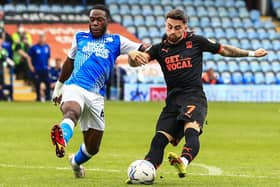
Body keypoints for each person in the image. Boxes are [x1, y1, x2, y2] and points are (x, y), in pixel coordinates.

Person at [127, 9, 267, 181]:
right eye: (169, 27)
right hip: (172, 102)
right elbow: (136, 61)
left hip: (194, 97)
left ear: (185, 27)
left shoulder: (196, 41)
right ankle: (144, 172)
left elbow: (225, 50)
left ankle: (183, 161)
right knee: (158, 140)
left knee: (191, 132)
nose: (172, 31)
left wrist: (252, 53)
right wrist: (132, 56)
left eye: (177, 28)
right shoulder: (159, 49)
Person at [50, 4, 149, 178]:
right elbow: (69, 62)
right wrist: (59, 87)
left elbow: (143, 48)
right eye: (92, 19)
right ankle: (62, 138)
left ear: (107, 21)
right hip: (75, 86)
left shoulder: (117, 41)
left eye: (99, 19)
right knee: (72, 111)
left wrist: (142, 52)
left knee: (93, 147)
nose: (95, 23)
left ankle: (75, 163)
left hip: (96, 96)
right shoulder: (79, 37)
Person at [28, 32, 51, 102]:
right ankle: (38, 98)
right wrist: (31, 66)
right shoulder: (34, 47)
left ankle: (48, 97)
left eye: (43, 37)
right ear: (39, 38)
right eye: (40, 37)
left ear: (45, 38)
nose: (42, 39)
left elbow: (48, 57)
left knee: (47, 83)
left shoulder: (47, 47)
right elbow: (29, 57)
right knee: (37, 83)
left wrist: (49, 65)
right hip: (37, 69)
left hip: (45, 69)